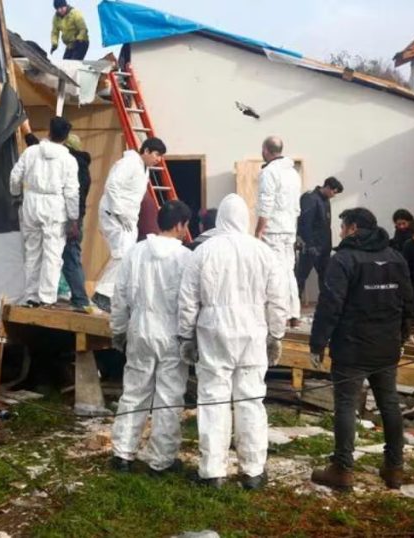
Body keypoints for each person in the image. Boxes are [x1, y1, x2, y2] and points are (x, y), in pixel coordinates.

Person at [178, 194, 289, 490]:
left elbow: (187, 300)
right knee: (251, 400)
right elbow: (278, 301)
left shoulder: (203, 251)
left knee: (213, 399)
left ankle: (213, 471)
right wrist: (275, 335)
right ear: (245, 218)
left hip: (213, 332)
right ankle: (252, 471)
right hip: (252, 333)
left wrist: (186, 335)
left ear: (219, 218)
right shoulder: (263, 252)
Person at [308, 208, 414, 491]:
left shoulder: (343, 259)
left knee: (345, 405)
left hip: (351, 348)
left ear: (353, 228)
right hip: (386, 346)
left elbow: (330, 304)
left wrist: (318, 342)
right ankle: (395, 468)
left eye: (342, 227)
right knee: (389, 404)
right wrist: (402, 336)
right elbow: (408, 301)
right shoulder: (395, 257)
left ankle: (342, 469)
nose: (340, 232)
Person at [109, 201, 193, 475]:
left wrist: (118, 329)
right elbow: (190, 301)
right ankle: (161, 460)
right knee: (168, 397)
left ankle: (122, 453)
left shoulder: (135, 253)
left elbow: (119, 296)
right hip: (171, 333)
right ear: (180, 225)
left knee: (134, 392)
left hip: (140, 328)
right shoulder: (184, 258)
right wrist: (189, 336)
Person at [9, 117, 79, 307]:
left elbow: (15, 176)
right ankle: (47, 297)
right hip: (55, 207)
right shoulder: (69, 160)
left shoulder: (31, 152)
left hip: (31, 203)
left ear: (49, 132)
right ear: (65, 138)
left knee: (33, 252)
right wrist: (73, 218)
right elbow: (72, 192)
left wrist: (16, 195)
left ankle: (31, 296)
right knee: (53, 254)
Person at [92, 137, 167, 312]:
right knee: (122, 254)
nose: (158, 159)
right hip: (114, 214)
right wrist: (119, 211)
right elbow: (112, 186)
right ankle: (102, 294)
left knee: (127, 255)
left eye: (161, 156)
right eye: (156, 154)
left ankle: (111, 294)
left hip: (128, 218)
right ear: (146, 151)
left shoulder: (145, 169)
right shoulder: (128, 163)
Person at [254, 135, 302, 326]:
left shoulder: (269, 172)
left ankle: (278, 314)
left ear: (266, 150)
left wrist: (258, 231)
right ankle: (293, 312)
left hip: (273, 230)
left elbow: (266, 203)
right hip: (289, 228)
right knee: (288, 270)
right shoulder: (293, 173)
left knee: (273, 272)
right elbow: (296, 207)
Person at [295, 176, 344, 300]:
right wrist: (309, 244)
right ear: (327, 187)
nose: (334, 195)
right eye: (333, 191)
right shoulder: (310, 198)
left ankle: (326, 305)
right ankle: (293, 307)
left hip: (323, 247)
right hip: (311, 246)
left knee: (326, 278)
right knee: (300, 277)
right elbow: (305, 223)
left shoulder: (325, 200)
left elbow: (325, 225)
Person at [61, 134, 91, 311]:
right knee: (70, 256)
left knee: (70, 256)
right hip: (76, 219)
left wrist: (72, 220)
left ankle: (80, 298)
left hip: (71, 219)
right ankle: (77, 297)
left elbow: (73, 197)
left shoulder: (73, 166)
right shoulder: (83, 166)